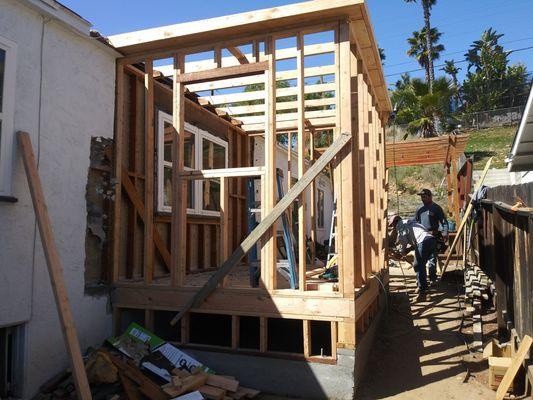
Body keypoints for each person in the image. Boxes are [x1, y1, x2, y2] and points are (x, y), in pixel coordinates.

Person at [388, 215, 436, 296]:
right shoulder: (411, 222)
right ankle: (424, 284)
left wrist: (402, 252)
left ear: (394, 223)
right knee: (423, 264)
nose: (393, 227)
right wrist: (408, 250)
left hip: (423, 241)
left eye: (392, 225)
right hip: (431, 239)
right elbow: (415, 239)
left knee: (418, 265)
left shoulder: (400, 225)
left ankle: (423, 290)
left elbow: (404, 241)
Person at [415, 189, 449, 283]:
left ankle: (432, 279)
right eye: (421, 197)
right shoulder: (419, 209)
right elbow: (415, 222)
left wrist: (445, 233)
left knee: (432, 260)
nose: (422, 199)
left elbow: (444, 222)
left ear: (430, 197)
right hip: (421, 238)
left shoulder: (436, 208)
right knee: (420, 261)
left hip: (432, 237)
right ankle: (422, 281)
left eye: (424, 197)